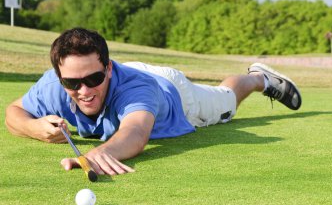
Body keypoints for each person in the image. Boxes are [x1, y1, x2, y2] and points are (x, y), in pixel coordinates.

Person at [5, 28, 302, 176]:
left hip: (172, 91)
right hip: (130, 72)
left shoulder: (137, 90)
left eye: (93, 79)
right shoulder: (55, 83)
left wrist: (96, 155)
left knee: (225, 103)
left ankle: (257, 78)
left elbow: (135, 132)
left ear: (108, 69)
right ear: (61, 77)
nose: (83, 90)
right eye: (72, 83)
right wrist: (34, 127)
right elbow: (13, 111)